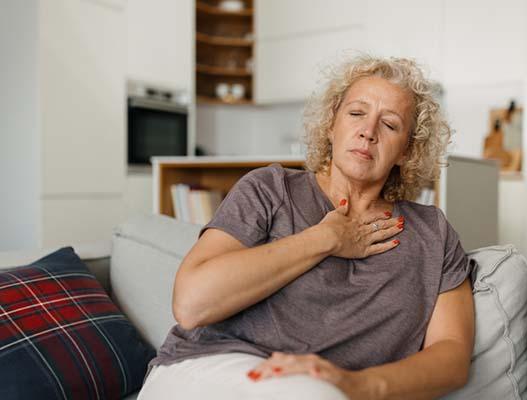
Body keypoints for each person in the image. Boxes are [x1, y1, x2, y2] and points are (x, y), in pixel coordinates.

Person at [139, 55, 475, 400]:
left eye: (389, 125)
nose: (368, 132)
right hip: (208, 366)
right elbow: (192, 303)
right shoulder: (270, 189)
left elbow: (452, 357)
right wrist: (323, 239)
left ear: (407, 151)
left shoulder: (433, 234)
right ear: (331, 124)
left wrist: (357, 385)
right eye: (356, 113)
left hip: (324, 390)